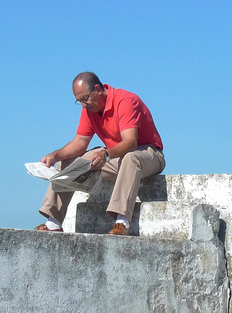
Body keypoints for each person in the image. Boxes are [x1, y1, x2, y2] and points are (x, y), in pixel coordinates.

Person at [35, 72, 165, 236]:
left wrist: (106, 154)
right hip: (116, 156)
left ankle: (121, 222)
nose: (83, 105)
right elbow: (80, 143)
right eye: (79, 101)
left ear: (97, 89)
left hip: (148, 154)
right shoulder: (89, 110)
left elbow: (131, 142)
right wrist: (55, 155)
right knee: (67, 163)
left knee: (130, 158)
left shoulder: (125, 101)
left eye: (85, 98)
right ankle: (53, 222)